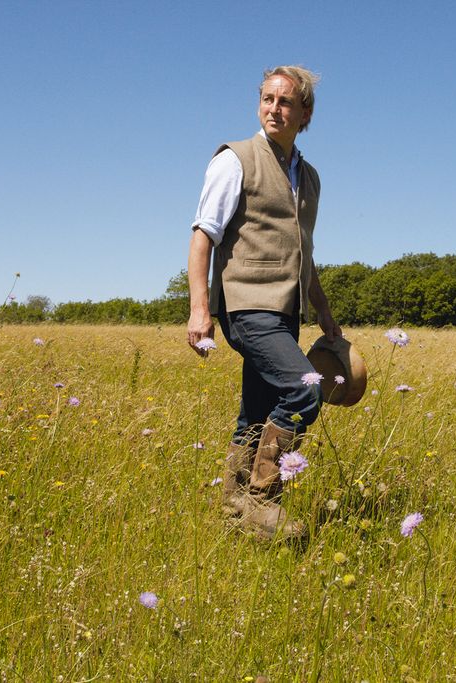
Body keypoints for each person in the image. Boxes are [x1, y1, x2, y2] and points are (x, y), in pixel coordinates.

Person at [186, 65, 341, 539]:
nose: (275, 109)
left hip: (285, 309)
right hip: (245, 304)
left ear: (305, 113)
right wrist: (199, 308)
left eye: (286, 101)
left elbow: (304, 254)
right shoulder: (235, 159)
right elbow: (203, 236)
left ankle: (234, 508)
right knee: (304, 390)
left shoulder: (309, 178)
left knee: (258, 408)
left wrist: (325, 314)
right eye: (268, 99)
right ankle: (261, 496)